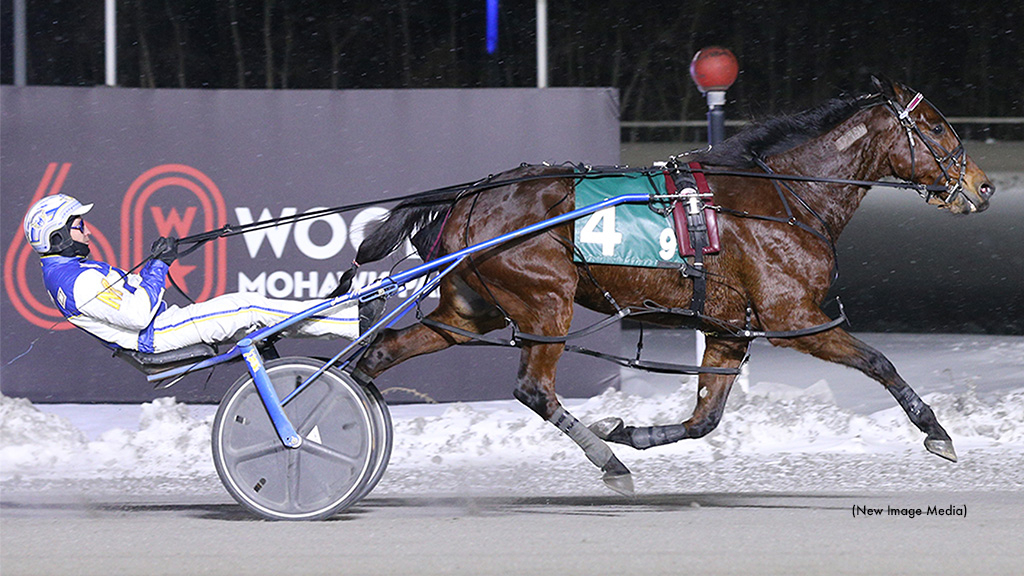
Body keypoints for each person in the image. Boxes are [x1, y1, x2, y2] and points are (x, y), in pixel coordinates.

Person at [23, 194, 376, 354]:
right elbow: (138, 314)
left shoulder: (67, 274)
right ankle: (353, 323)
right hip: (157, 334)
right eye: (78, 225)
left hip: (160, 326)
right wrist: (159, 265)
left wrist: (156, 263)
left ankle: (346, 323)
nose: (87, 231)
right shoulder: (77, 281)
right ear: (57, 237)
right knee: (247, 307)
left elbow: (131, 300)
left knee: (256, 316)